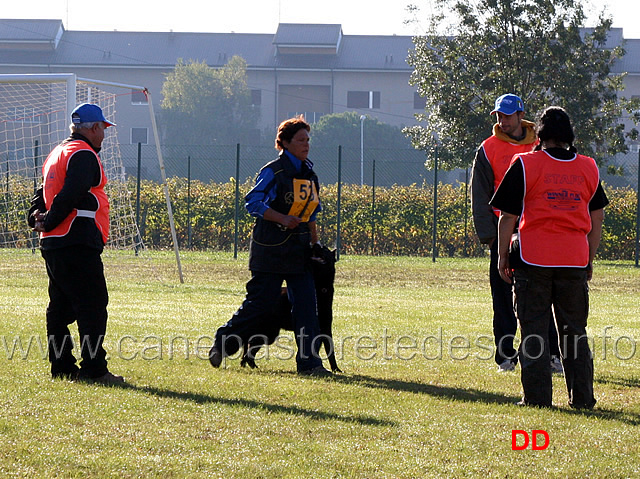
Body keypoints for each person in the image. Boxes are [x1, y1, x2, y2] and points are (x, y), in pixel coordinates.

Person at [491, 106, 608, 408]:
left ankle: (538, 399)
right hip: (573, 260)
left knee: (534, 331)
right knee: (575, 333)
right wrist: (588, 259)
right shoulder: (589, 167)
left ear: (539, 134)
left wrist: (503, 257)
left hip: (534, 260)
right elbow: (596, 220)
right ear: (569, 135)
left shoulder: (526, 164)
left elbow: (507, 217)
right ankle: (582, 398)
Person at [209, 116, 330, 376]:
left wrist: (315, 243)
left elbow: (312, 213)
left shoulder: (310, 173)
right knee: (261, 303)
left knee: (308, 306)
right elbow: (252, 202)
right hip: (270, 250)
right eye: (300, 140)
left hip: (299, 252)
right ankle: (223, 342)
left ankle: (310, 364)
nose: (306, 144)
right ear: (285, 143)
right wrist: (281, 218)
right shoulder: (272, 172)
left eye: (308, 140)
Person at [28, 103, 124, 385]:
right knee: (92, 305)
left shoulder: (56, 154)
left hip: (54, 243)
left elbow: (41, 193)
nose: (104, 136)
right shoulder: (83, 154)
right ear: (93, 128)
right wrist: (51, 219)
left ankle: (62, 367)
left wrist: (35, 218)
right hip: (76, 239)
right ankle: (94, 370)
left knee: (59, 307)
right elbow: (71, 193)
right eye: (103, 129)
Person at [471, 93, 562, 373]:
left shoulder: (540, 145)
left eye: (508, 115)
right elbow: (479, 195)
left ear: (521, 115)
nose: (502, 120)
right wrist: (490, 237)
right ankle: (505, 356)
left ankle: (550, 354)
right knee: (502, 297)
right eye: (499, 115)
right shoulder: (488, 148)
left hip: (536, 232)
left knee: (541, 296)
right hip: (503, 232)